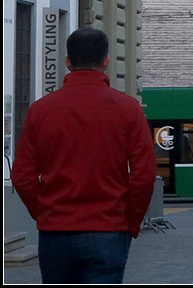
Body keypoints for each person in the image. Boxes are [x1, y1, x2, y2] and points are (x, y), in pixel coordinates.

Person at [11, 27, 157, 284]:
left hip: (56, 230)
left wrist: (45, 212)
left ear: (68, 61)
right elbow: (144, 176)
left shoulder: (40, 110)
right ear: (106, 60)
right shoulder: (128, 109)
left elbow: (22, 176)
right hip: (108, 228)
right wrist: (130, 221)